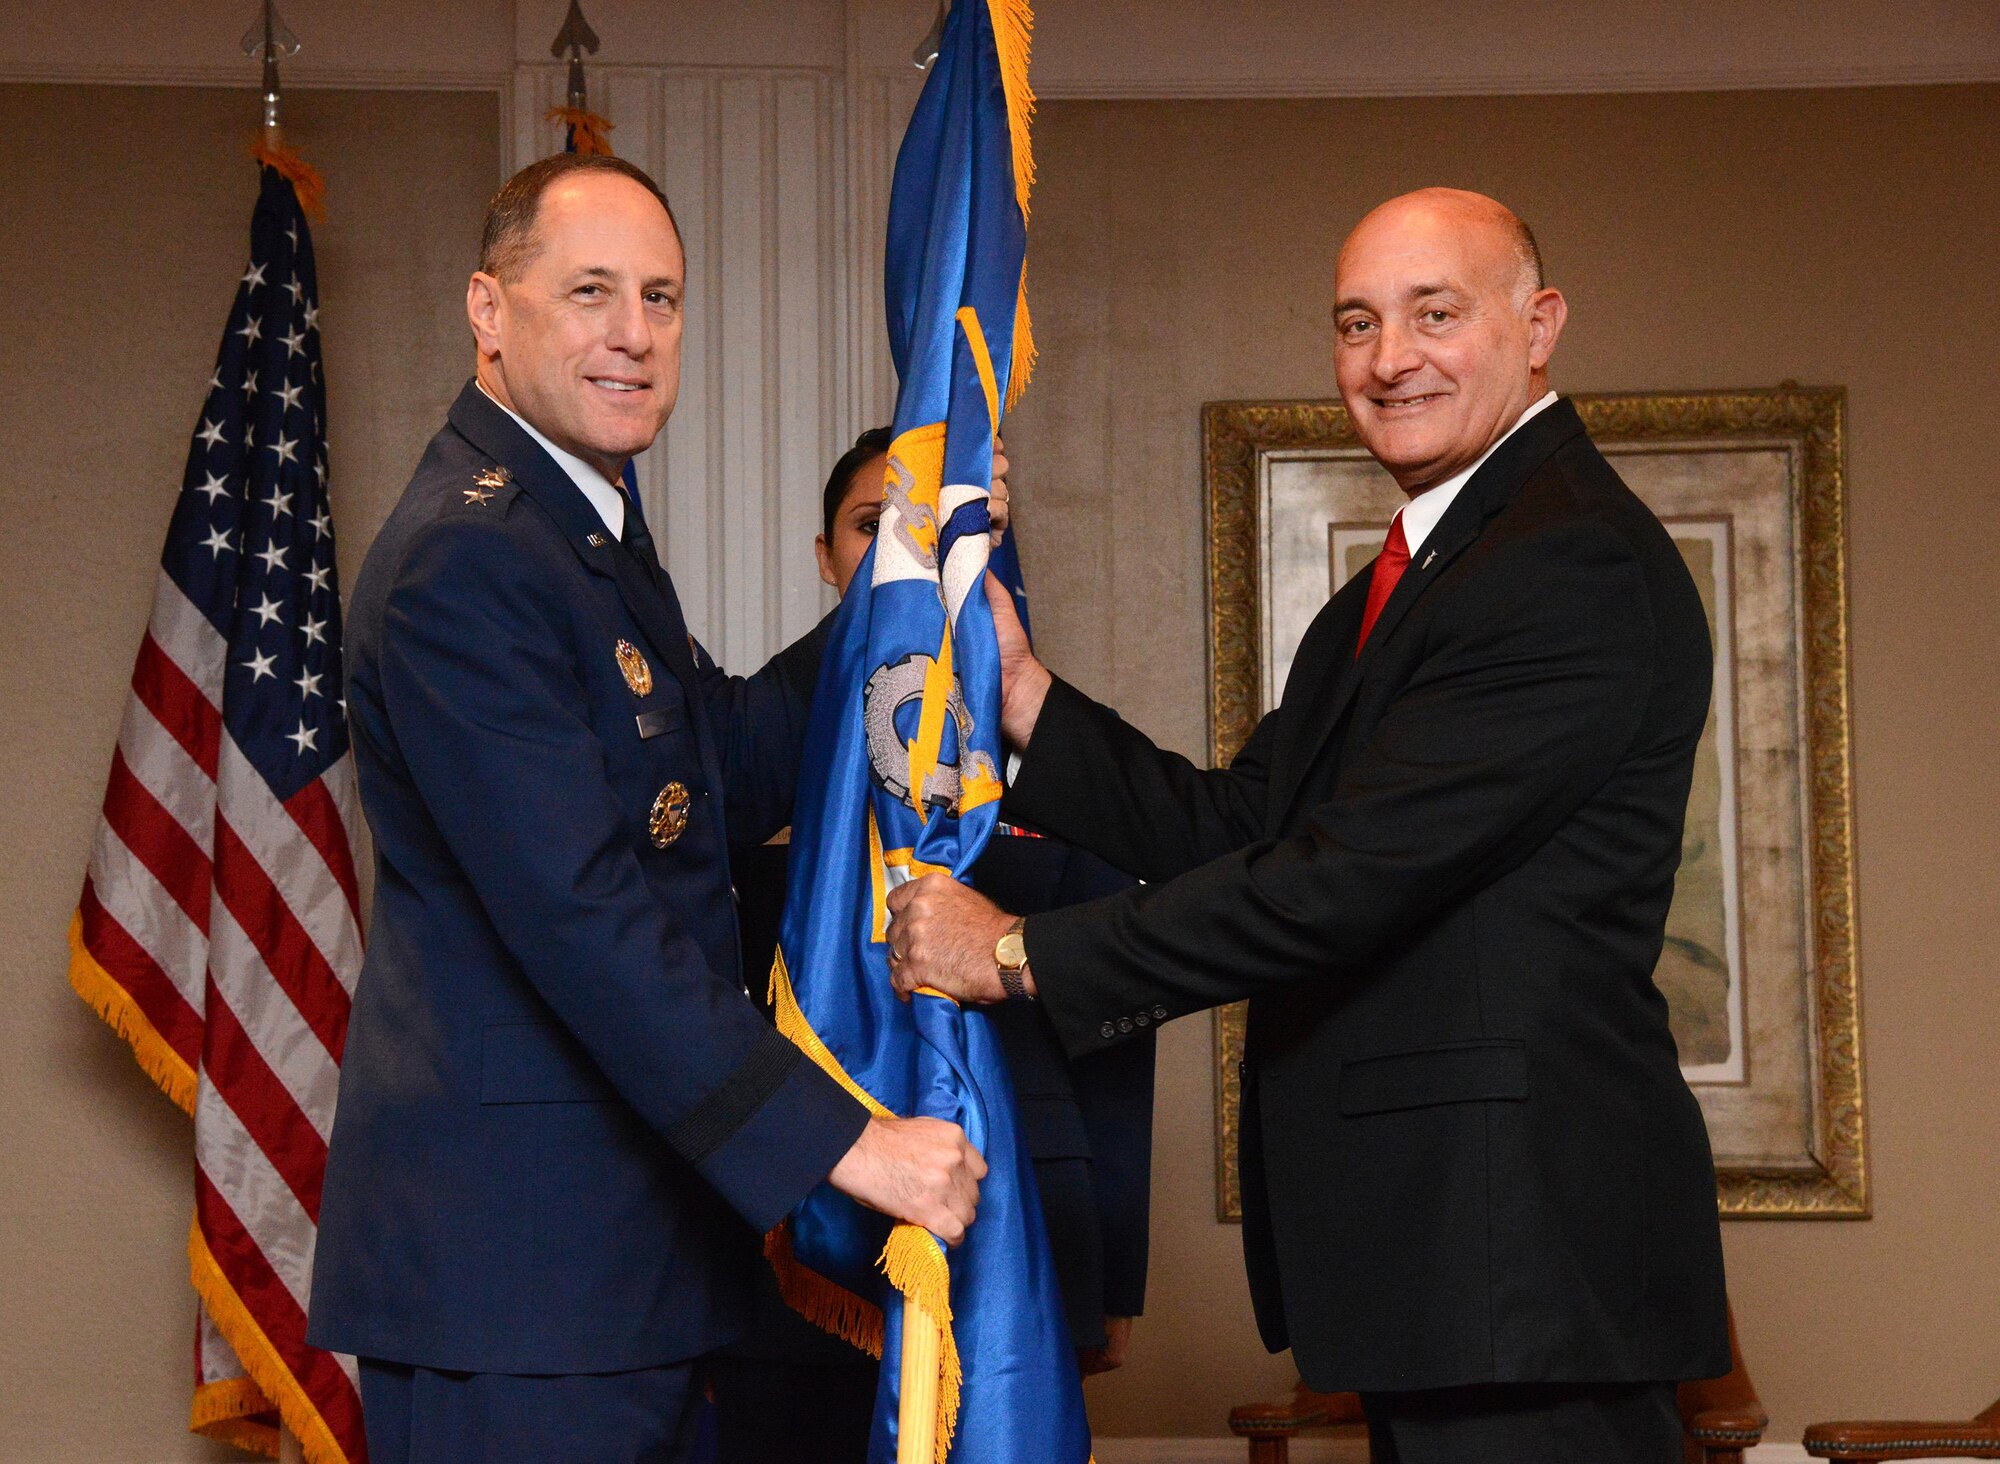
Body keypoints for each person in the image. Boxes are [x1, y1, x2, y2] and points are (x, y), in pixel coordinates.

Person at [882, 187, 1731, 1464]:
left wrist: (1016, 957)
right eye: (1356, 323)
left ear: (1537, 324)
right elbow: (1245, 823)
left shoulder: (1567, 565)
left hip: (1518, 1267)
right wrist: (1024, 702)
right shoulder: (1406, 581)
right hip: (1446, 1272)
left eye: (1432, 314)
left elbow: (1340, 881)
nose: (1389, 360)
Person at [306, 152, 986, 1464]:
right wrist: (846, 1144)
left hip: (612, 1271)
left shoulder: (578, 536)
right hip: (518, 1285)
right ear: (489, 314)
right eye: (591, 293)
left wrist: (904, 575)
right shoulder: (472, 558)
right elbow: (585, 916)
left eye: (662, 298)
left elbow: (722, 762)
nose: (633, 333)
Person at [707, 428, 1157, 1463]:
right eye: (872, 528)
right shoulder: (770, 754)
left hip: (1018, 1213)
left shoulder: (1048, 752)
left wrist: (1114, 1264)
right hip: (808, 1216)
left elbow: (1116, 1034)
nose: (895, 550)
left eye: (924, 529)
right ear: (827, 557)